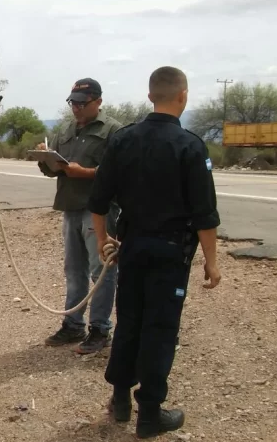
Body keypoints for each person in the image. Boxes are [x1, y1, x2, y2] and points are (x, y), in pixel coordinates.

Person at [87, 66, 222, 438]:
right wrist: (211, 262)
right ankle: (149, 415)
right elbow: (204, 215)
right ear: (184, 96)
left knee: (129, 320)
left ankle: (119, 401)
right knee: (159, 329)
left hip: (131, 249)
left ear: (150, 96)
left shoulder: (123, 139)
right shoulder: (191, 146)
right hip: (169, 254)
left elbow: (97, 201)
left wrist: (102, 240)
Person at [37, 77, 122, 355]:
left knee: (102, 271)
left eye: (82, 104)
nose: (76, 108)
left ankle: (100, 329)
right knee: (74, 271)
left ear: (98, 102)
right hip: (70, 206)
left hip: (99, 209)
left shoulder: (113, 131)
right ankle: (73, 325)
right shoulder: (65, 130)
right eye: (73, 102)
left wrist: (84, 172)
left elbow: (118, 172)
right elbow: (53, 170)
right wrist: (45, 159)